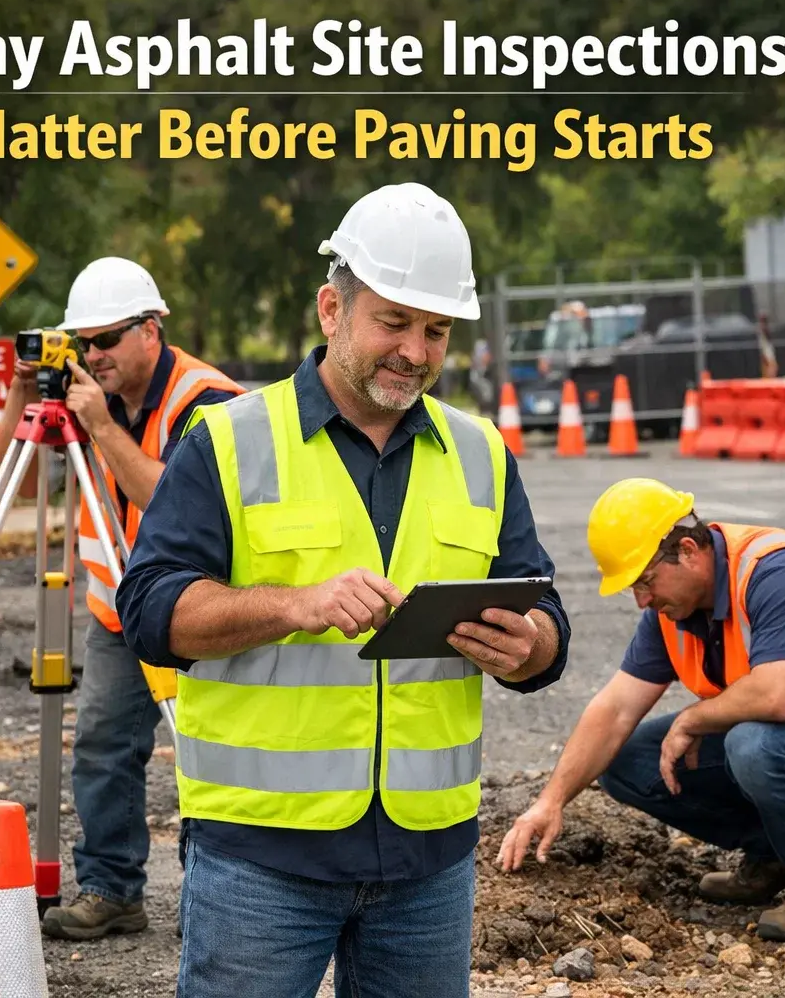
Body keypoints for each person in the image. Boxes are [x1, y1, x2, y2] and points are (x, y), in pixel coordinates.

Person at [116, 182, 572, 997]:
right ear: (332, 309)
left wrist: (529, 647)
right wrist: (292, 605)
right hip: (262, 857)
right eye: (393, 322)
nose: (416, 351)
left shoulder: (481, 454)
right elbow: (150, 612)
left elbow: (545, 622)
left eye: (436, 330)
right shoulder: (229, 441)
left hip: (429, 862)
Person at [497, 477, 785, 943]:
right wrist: (549, 802)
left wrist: (693, 719)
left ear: (689, 551)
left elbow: (779, 695)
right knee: (629, 760)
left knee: (754, 744)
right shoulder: (672, 612)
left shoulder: (780, 573)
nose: (642, 600)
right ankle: (779, 854)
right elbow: (615, 709)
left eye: (645, 581)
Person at [0, 256, 245, 939]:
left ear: (150, 330)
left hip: (197, 609)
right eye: (84, 343)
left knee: (206, 753)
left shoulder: (206, 401)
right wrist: (23, 393)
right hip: (118, 609)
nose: (94, 355)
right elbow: (20, 485)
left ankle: (219, 901)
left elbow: (179, 505)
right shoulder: (90, 397)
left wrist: (102, 428)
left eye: (106, 340)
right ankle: (111, 889)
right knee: (103, 745)